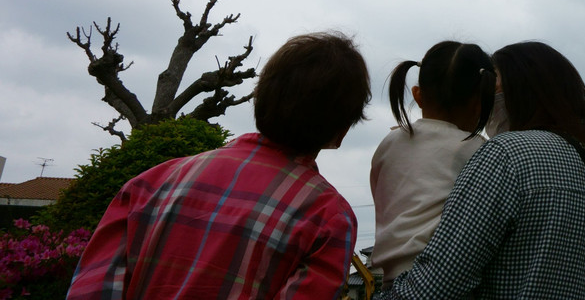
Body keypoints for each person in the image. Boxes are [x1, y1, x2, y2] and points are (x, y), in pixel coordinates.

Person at [66, 31, 373, 300]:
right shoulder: (328, 217)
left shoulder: (148, 184)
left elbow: (91, 288)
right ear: (341, 132)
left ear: (260, 97)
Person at [378, 41, 585, 300]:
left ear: (521, 92)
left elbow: (439, 284)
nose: (484, 104)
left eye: (491, 90)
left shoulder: (506, 154)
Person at [370, 41, 496, 286]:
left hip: (388, 279)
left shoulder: (389, 142)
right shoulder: (476, 148)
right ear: (479, 101)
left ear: (418, 95)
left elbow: (382, 194)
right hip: (439, 274)